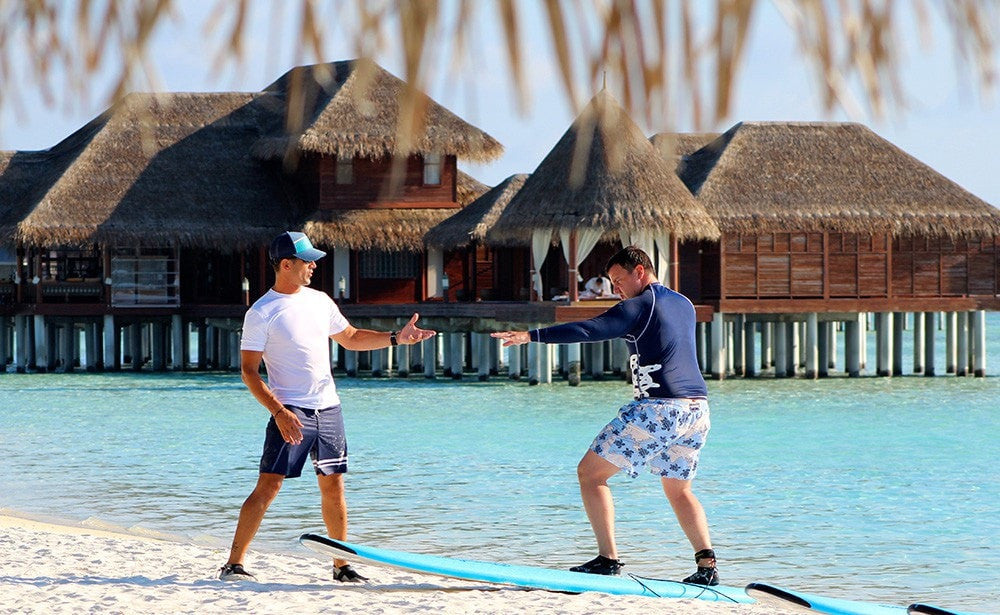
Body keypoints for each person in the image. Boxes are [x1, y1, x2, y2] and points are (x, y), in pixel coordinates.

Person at [491, 246, 718, 586]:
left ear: (639, 271)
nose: (616, 289)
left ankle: (608, 559)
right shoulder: (683, 303)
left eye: (618, 280)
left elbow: (589, 330)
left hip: (660, 409)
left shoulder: (640, 305)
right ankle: (707, 566)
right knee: (679, 490)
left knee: (590, 474)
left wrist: (530, 336)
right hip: (697, 411)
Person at [219, 231, 435, 583]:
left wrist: (396, 338)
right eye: (307, 260)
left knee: (333, 485)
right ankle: (234, 563)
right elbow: (248, 371)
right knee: (269, 486)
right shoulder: (262, 312)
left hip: (329, 409)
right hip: (291, 411)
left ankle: (341, 565)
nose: (314, 265)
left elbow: (350, 338)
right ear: (286, 264)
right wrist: (278, 411)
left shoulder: (320, 301)